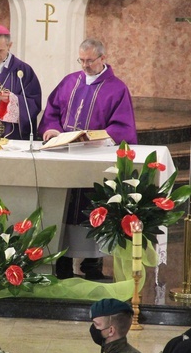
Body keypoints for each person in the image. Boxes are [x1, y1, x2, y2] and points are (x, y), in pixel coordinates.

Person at [39, 38, 137, 280]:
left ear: (103, 58)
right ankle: (61, 262)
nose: (84, 65)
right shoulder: (70, 82)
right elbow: (51, 111)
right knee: (64, 208)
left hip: (95, 158)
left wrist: (98, 137)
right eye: (81, 60)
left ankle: (92, 264)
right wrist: (51, 129)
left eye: (90, 61)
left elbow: (123, 126)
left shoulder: (117, 88)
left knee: (93, 209)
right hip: (65, 157)